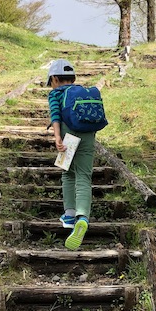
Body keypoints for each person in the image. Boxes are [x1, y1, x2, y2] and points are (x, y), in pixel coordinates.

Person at [46, 58, 97, 250]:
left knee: (67, 173)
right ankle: (82, 216)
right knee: (84, 175)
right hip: (88, 135)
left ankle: (69, 214)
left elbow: (55, 116)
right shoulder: (82, 92)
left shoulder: (56, 94)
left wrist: (57, 137)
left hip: (68, 135)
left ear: (55, 79)